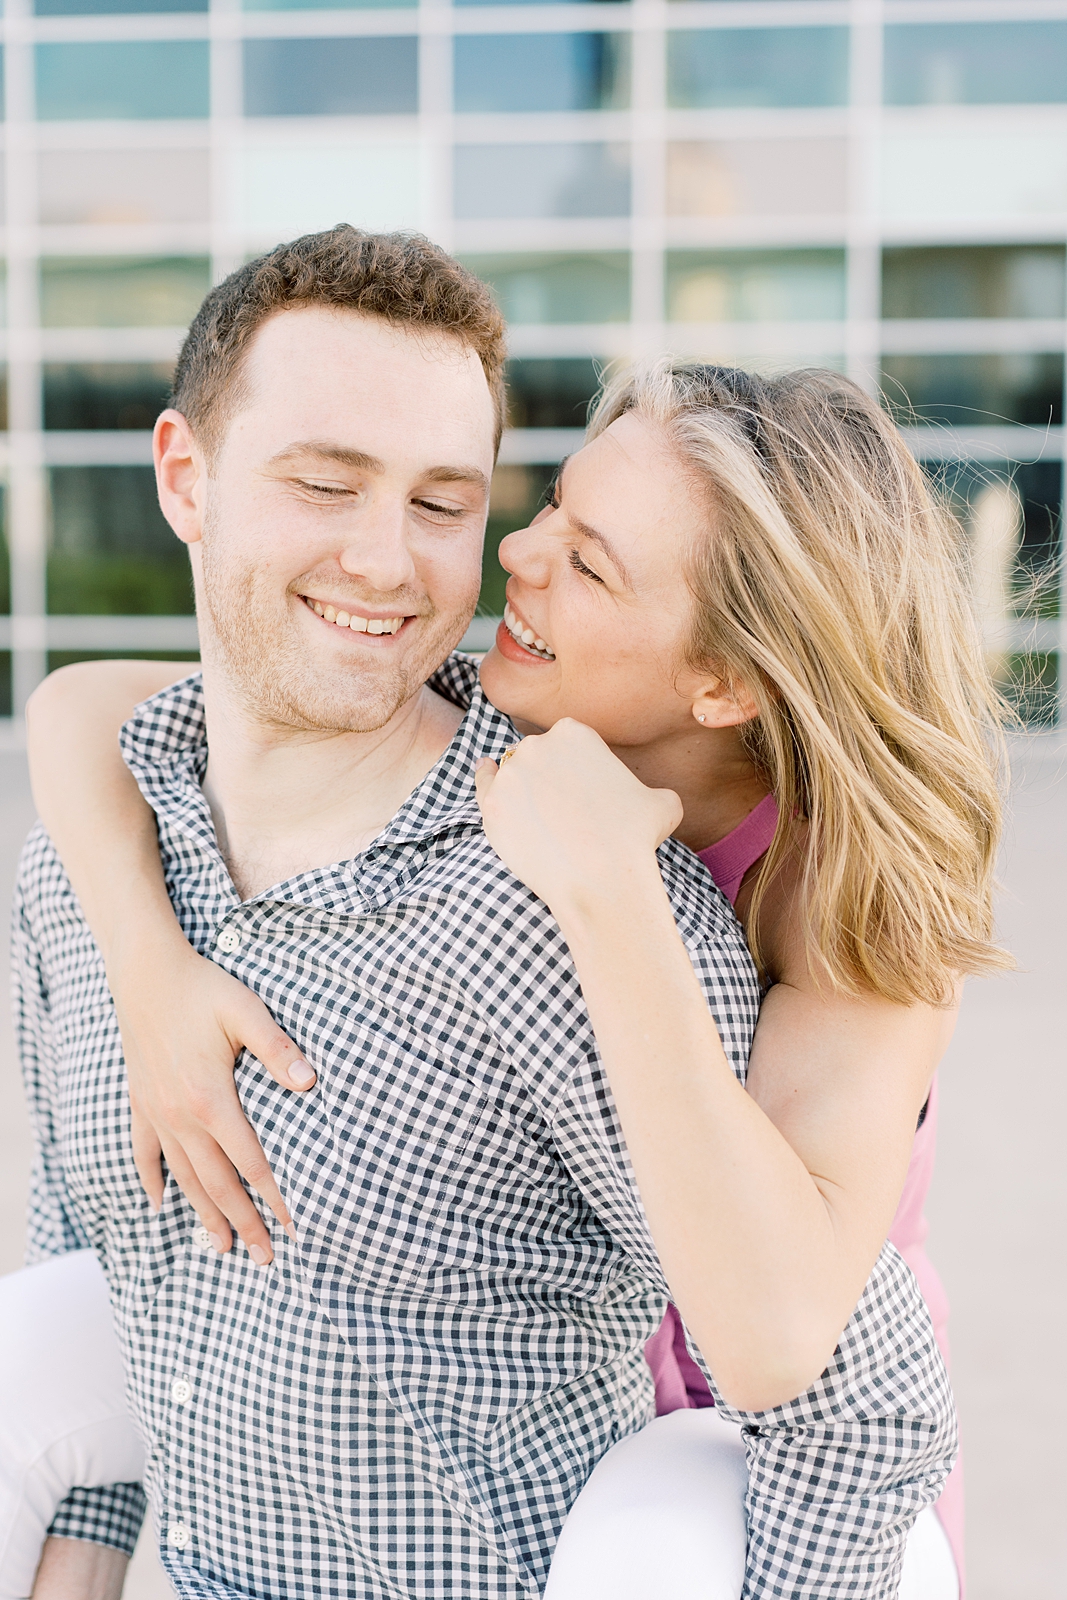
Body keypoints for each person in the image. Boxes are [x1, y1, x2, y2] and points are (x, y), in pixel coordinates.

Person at [6, 231, 979, 1596]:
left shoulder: (844, 905)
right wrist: (144, 962)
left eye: (586, 562)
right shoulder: (506, 689)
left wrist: (604, 897)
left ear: (722, 687)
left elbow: (802, 1351)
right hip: (580, 1344)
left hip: (767, 1410)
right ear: (187, 478)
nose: (497, 560)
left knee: (661, 1524)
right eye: (542, 510)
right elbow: (87, 709)